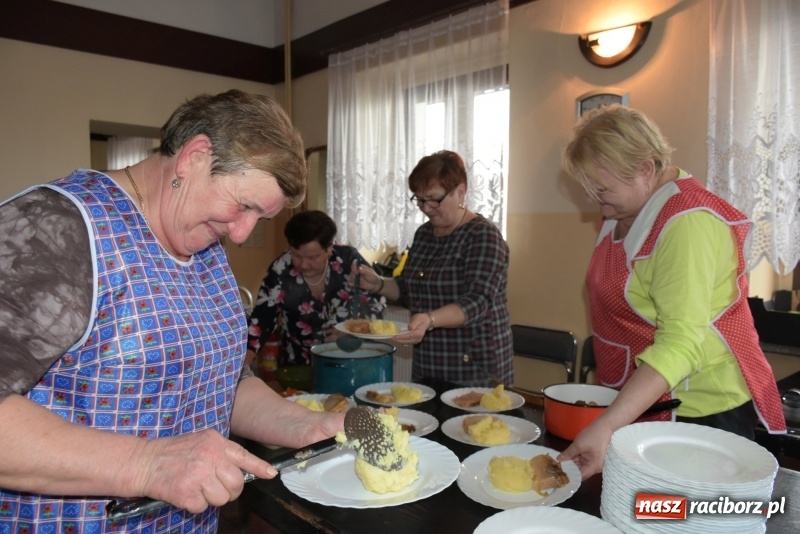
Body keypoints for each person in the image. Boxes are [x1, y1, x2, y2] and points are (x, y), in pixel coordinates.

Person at [0, 90, 345, 533]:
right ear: (194, 157)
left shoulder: (203, 243)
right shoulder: (55, 228)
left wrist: (306, 426)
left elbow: (223, 382)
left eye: (258, 219)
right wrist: (146, 464)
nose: (240, 235)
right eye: (244, 206)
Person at [556, 105, 786, 479]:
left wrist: (607, 425)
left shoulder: (687, 224)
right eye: (587, 189)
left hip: (700, 411)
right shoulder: (623, 209)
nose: (593, 200)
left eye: (601, 189)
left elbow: (680, 343)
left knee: (679, 517)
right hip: (644, 401)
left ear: (646, 170)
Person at [357, 150, 513, 387]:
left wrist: (430, 319)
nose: (426, 208)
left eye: (434, 199)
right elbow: (411, 290)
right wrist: (378, 283)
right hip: (429, 362)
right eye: (419, 199)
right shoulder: (424, 234)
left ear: (460, 192)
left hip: (474, 366)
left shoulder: (483, 235)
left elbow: (478, 302)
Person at [246, 210, 386, 367]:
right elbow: (262, 321)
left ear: (329, 248)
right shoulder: (280, 270)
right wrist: (243, 367)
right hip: (299, 365)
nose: (304, 265)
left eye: (313, 257)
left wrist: (353, 330)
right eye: (296, 255)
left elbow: (376, 303)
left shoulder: (347, 261)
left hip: (352, 360)